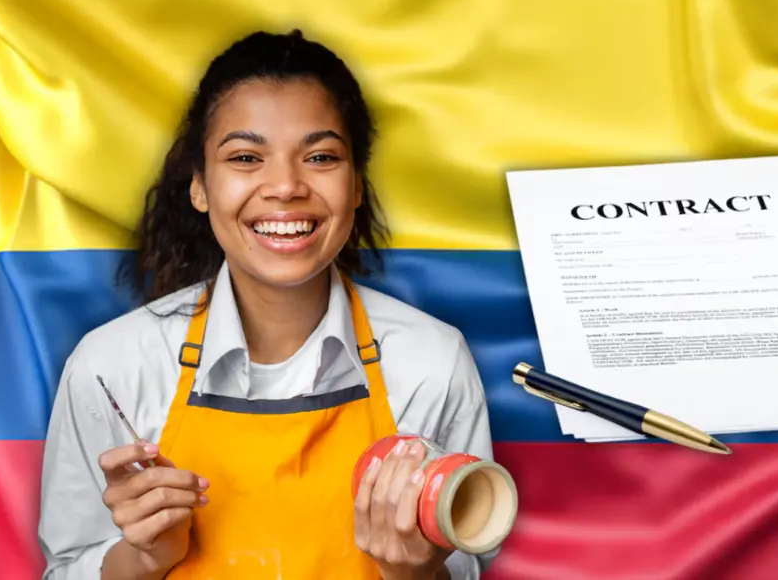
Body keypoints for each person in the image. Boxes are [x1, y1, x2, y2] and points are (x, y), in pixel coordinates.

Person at [38, 29, 497, 580]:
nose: (284, 186)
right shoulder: (110, 366)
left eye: (321, 156)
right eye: (246, 157)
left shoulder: (433, 361)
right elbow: (65, 568)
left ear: (356, 185)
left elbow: (468, 562)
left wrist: (416, 572)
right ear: (201, 187)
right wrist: (142, 557)